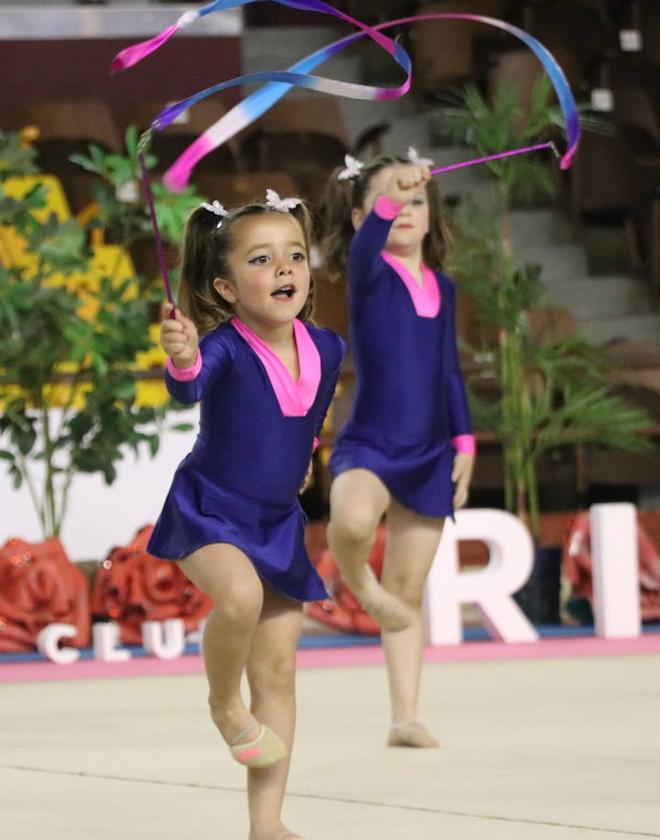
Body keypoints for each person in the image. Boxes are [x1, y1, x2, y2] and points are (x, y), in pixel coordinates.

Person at [148, 191, 344, 840]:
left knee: (281, 670)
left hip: (277, 520)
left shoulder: (328, 347)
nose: (285, 269)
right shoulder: (225, 348)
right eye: (263, 260)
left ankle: (267, 824)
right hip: (209, 509)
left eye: (294, 255)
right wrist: (180, 357)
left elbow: (310, 417)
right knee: (237, 595)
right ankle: (222, 703)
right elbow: (189, 382)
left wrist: (311, 454)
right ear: (227, 288)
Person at [322, 156, 475, 748]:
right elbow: (363, 251)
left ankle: (404, 716)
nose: (406, 209)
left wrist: (463, 440)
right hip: (372, 442)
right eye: (390, 201)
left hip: (431, 450)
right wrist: (391, 197)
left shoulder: (443, 286)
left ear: (432, 215)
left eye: (416, 200)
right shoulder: (371, 274)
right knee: (353, 519)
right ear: (364, 216)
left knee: (408, 591)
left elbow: (448, 370)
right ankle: (358, 584)